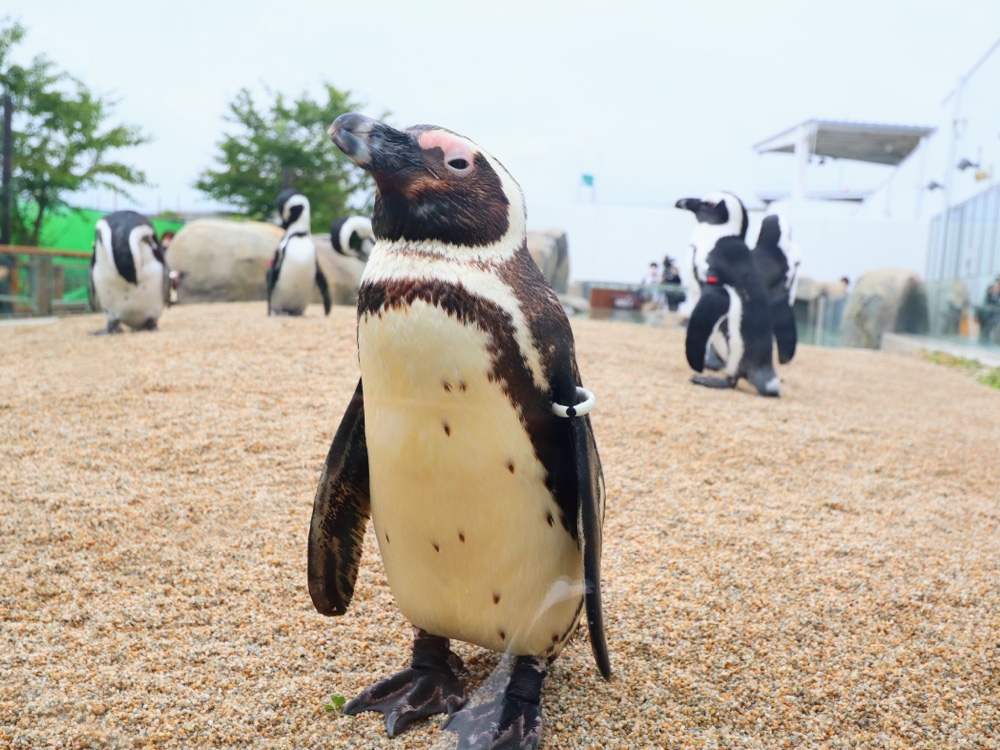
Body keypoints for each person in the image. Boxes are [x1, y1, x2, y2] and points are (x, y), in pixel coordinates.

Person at [976, 277, 1000, 344]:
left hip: (995, 317)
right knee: (985, 332)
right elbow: (987, 303)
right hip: (988, 316)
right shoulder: (991, 292)